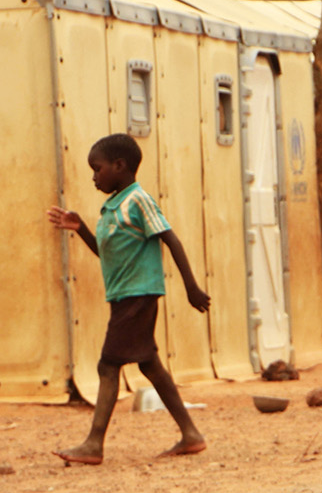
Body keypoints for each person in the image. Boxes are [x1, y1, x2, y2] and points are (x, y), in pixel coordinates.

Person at [45, 134, 211, 464]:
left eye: (97, 169)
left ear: (119, 166)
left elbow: (171, 239)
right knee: (149, 364)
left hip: (139, 295)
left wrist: (191, 287)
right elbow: (106, 256)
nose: (94, 176)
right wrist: (81, 230)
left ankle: (94, 444)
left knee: (108, 365)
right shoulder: (112, 207)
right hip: (124, 296)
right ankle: (191, 434)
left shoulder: (138, 200)